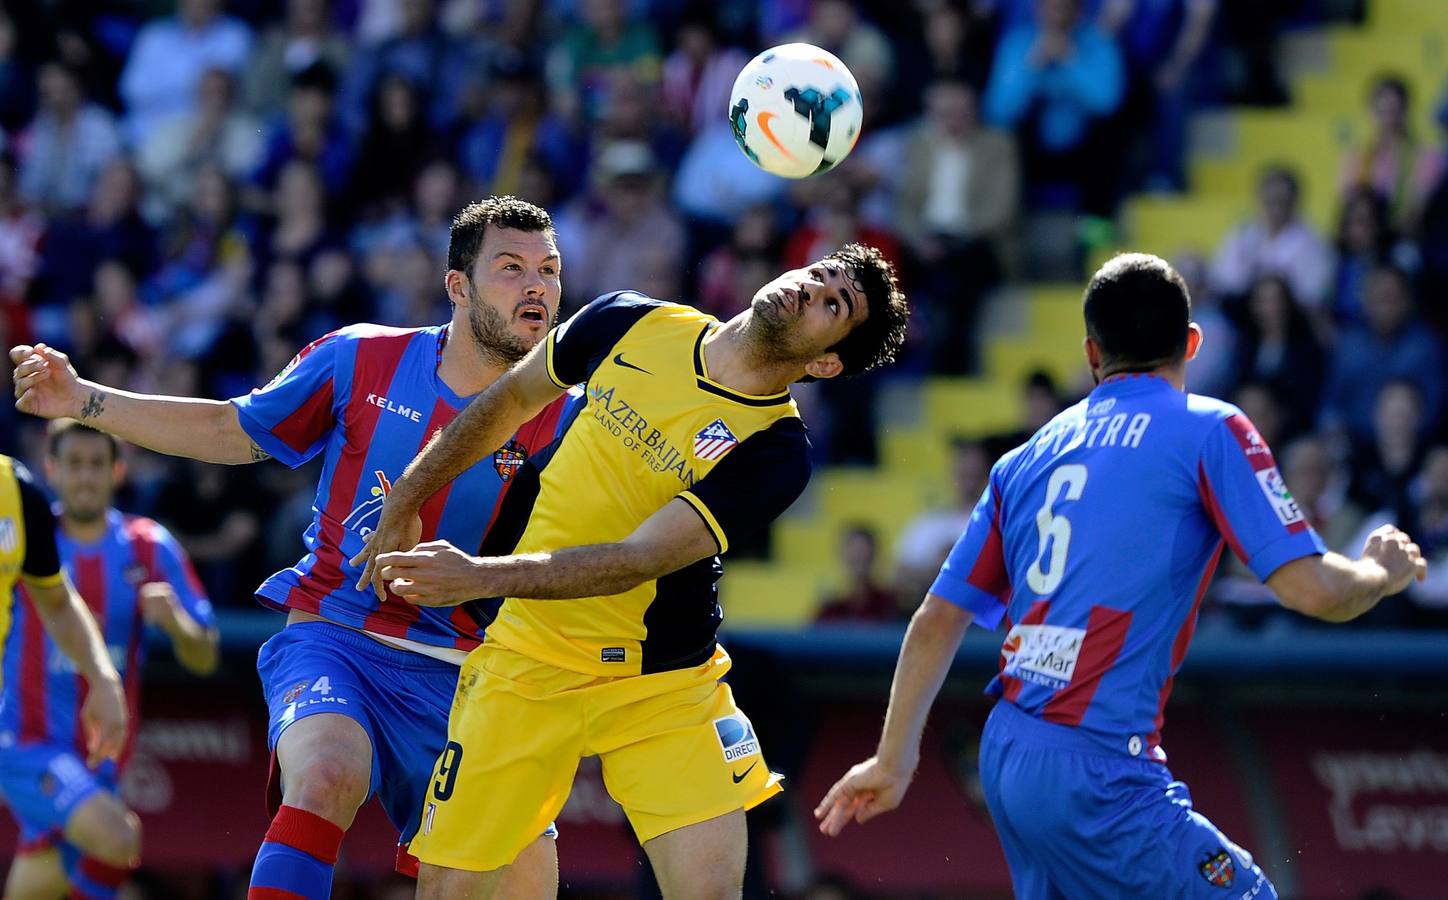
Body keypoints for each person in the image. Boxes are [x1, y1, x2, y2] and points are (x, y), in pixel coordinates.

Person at [813, 253, 1427, 899]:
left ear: (1091, 354)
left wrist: (892, 759)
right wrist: (1377, 571)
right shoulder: (1209, 428)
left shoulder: (1024, 458)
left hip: (1009, 751)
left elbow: (936, 619)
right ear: (1192, 343)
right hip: (1099, 768)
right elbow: (1314, 591)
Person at [10, 196, 572, 900]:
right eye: (511, 268)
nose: (536, 288)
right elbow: (228, 431)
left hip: (472, 673)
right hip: (337, 635)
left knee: (511, 882)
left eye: (549, 270)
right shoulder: (361, 358)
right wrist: (83, 399)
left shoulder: (573, 416)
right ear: (457, 287)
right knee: (327, 773)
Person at [353, 242, 909, 897]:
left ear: (825, 359)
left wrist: (480, 576)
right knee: (448, 890)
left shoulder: (777, 452)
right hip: (527, 654)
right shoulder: (633, 319)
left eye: (833, 304)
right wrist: (408, 495)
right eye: (819, 275)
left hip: (663, 685)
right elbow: (507, 402)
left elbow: (637, 560)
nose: (811, 289)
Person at [1, 420, 218, 900]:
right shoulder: (27, 537)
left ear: (117, 471)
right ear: (51, 470)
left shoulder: (149, 546)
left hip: (99, 758)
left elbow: (204, 657)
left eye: (96, 465)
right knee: (118, 838)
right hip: (24, 743)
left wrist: (178, 622)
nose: (85, 477)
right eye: (74, 465)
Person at [0, 454, 128, 896]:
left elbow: (56, 601)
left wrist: (103, 678)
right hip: (19, 741)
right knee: (115, 836)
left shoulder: (17, 492)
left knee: (110, 841)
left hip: (43, 739)